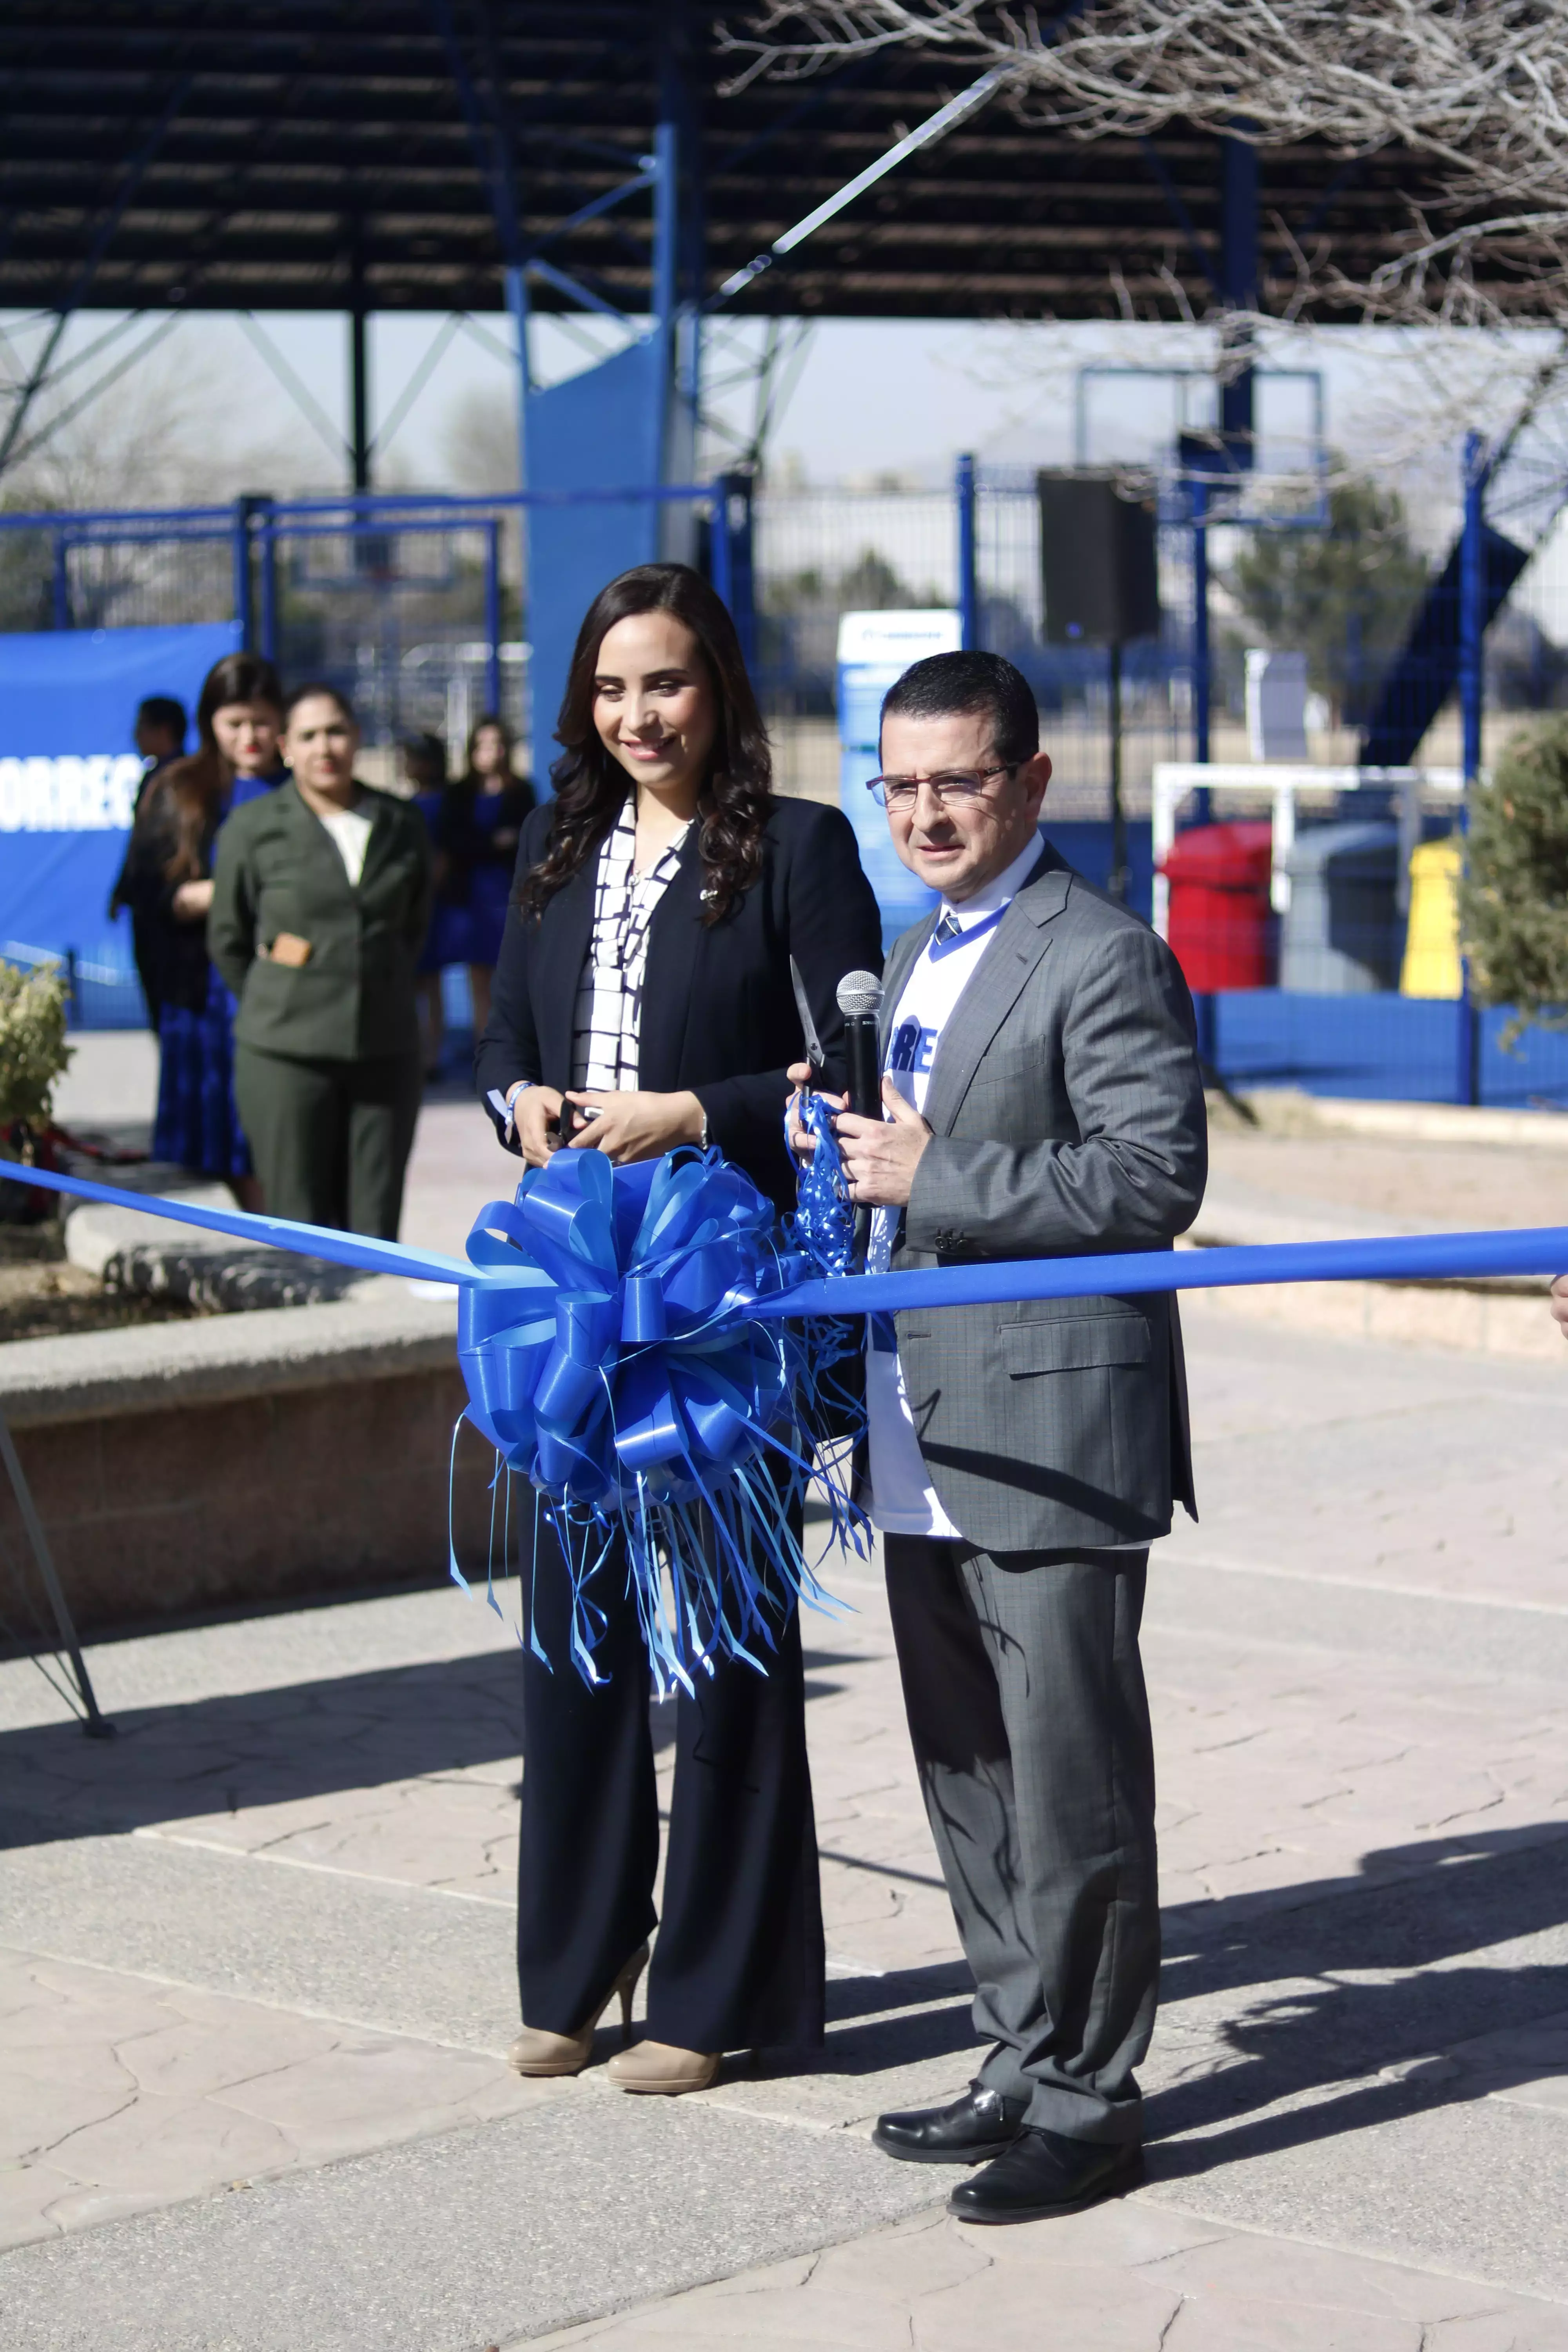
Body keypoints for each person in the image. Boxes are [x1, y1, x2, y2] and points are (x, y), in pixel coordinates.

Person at [789, 649, 1207, 2224]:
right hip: (916, 1421)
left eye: (957, 780)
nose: (924, 813)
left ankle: (1091, 2102)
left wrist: (929, 1175)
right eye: (896, 785)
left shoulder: (1100, 953)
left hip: (1051, 1438)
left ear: (1030, 780)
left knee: (1070, 1778)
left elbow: (1150, 1181)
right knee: (966, 1765)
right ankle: (1015, 2051)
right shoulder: (906, 958)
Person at [474, 561, 882, 2097]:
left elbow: (842, 1062)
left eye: (667, 682)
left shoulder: (798, 846)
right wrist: (521, 1101)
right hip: (570, 1288)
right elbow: (504, 1035)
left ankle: (718, 1996)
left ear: (718, 689)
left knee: (718, 1639)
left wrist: (688, 1112)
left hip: (717, 1294)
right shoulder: (549, 845)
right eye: (611, 688)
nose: (639, 714)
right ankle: (572, 1970)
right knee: (573, 1631)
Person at [209, 684, 432, 1239]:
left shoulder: (401, 823)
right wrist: (281, 997)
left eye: (336, 731)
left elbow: (414, 927)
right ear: (285, 747)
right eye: (308, 736)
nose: (324, 747)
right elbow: (228, 937)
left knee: (376, 1229)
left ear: (357, 738)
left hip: (385, 1048)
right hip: (285, 1052)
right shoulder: (253, 826)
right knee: (298, 1224)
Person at [116, 657, 287, 1202]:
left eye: (261, 722)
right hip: (207, 990)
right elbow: (146, 890)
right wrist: (215, 897)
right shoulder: (179, 788)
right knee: (233, 1142)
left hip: (294, 985)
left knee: (289, 1134)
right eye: (234, 723)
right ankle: (275, 1237)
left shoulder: (305, 783)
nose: (249, 737)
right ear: (210, 721)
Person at [445, 713, 537, 1037]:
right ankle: (482, 1047)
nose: (491, 752)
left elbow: (526, 840)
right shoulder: (458, 794)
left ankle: (512, 1048)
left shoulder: (521, 791)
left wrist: (496, 843)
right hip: (471, 896)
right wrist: (493, 841)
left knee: (510, 978)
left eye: (497, 745)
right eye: (483, 745)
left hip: (508, 893)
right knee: (478, 978)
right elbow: (456, 842)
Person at [109, 695, 190, 1033]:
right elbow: (139, 844)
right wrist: (122, 890)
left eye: (142, 727)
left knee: (173, 1007)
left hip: (171, 914)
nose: (135, 736)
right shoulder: (153, 776)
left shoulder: (186, 779)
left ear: (164, 730)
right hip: (148, 909)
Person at [401, 731, 456, 1078]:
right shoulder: (409, 804)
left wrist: (423, 893)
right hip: (413, 903)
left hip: (430, 906)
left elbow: (443, 858)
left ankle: (431, 1056)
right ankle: (420, 1052)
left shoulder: (441, 805)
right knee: (416, 983)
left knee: (430, 983)